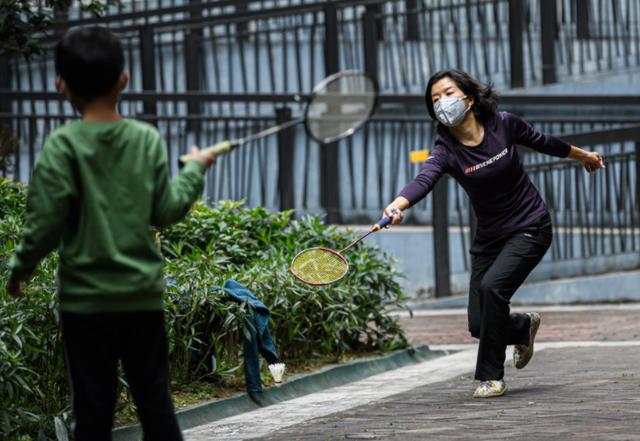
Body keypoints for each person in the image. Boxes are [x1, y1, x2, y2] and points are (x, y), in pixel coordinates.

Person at [6, 27, 213, 439]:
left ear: (60, 84)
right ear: (125, 80)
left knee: (93, 409)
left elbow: (44, 224)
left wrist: (20, 269)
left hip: (85, 303)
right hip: (141, 297)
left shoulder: (62, 146)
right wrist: (193, 170)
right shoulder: (145, 140)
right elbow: (167, 211)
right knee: (156, 404)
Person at [384, 69, 604, 398]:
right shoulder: (446, 149)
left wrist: (583, 155)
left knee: (491, 289)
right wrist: (397, 205)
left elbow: (545, 142)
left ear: (468, 99)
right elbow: (424, 179)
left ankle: (492, 377)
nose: (441, 102)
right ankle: (523, 327)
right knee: (479, 323)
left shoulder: (504, 124)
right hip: (489, 238)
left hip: (531, 226)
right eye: (434, 100)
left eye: (447, 93)